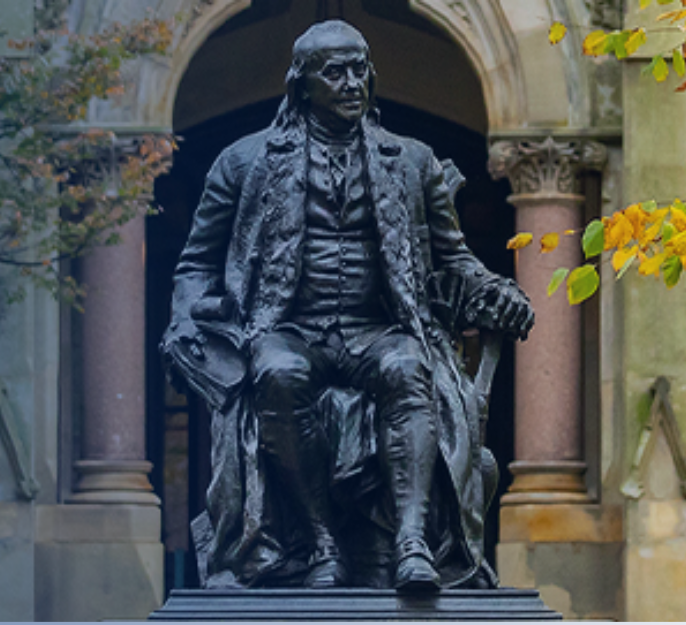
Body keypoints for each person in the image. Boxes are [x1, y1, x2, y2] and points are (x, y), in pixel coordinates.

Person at [162, 20, 534, 591]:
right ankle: (320, 543)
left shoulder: (411, 161)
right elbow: (195, 263)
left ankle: (412, 544)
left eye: (360, 69)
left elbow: (456, 260)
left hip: (379, 329)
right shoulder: (244, 162)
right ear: (301, 85)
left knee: (408, 367)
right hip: (288, 329)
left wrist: (498, 292)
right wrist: (185, 320)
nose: (352, 83)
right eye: (334, 73)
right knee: (277, 373)